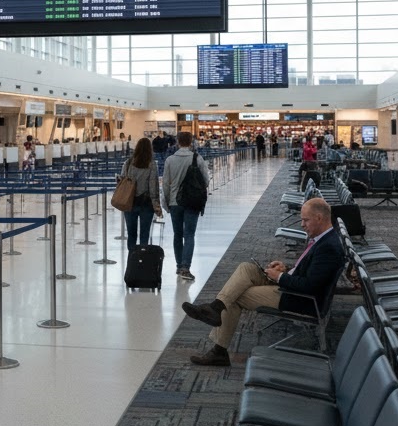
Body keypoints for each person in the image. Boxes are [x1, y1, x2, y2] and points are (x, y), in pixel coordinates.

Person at [182, 197, 344, 367]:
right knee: (246, 268)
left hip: (300, 299)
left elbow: (310, 286)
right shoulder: (323, 240)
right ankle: (215, 307)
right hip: (293, 286)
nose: (302, 225)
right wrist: (286, 269)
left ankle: (219, 350)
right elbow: (310, 272)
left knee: (236, 296)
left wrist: (280, 277)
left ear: (319, 218)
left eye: (305, 220)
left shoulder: (328, 248)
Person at [161, 131, 209, 280]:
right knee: (189, 234)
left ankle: (178, 265)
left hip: (175, 202)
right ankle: (185, 267)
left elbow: (165, 184)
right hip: (192, 202)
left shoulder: (170, 160)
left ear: (177, 142)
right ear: (190, 142)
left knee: (177, 234)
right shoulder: (197, 158)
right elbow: (206, 181)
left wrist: (166, 202)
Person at [121, 137, 161, 251]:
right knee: (144, 235)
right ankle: (142, 261)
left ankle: (132, 261)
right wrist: (156, 205)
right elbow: (153, 186)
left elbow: (122, 181)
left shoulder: (128, 163)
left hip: (129, 202)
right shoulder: (152, 165)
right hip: (146, 203)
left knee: (131, 235)